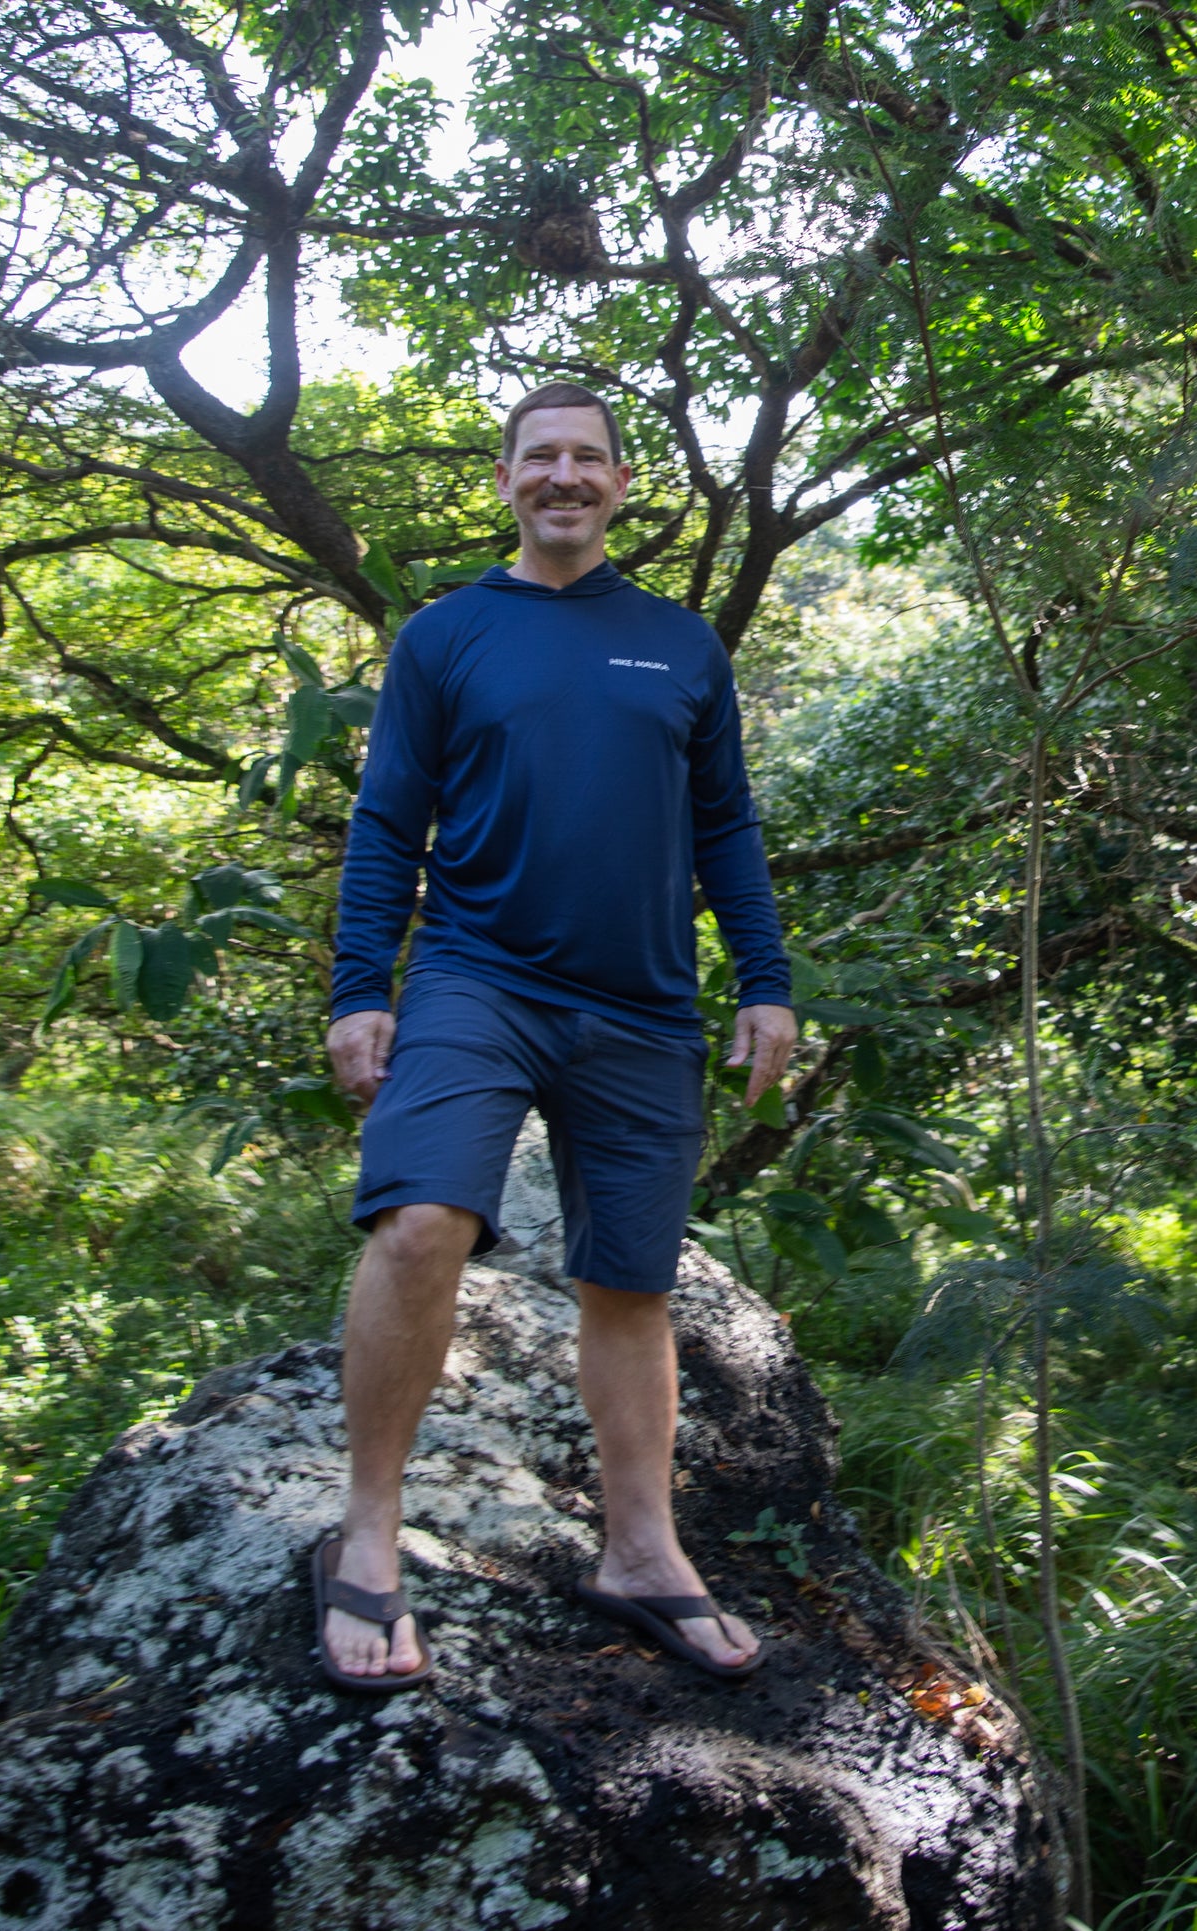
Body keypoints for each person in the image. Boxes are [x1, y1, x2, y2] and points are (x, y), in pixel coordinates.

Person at [316, 381, 797, 1693]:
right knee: (421, 1221)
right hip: (478, 977)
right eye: (541, 457)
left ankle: (640, 1552)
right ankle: (368, 1534)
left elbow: (725, 826)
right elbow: (387, 821)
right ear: (506, 480)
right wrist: (361, 988)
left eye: (588, 457)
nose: (564, 477)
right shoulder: (445, 635)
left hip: (643, 1002)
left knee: (631, 1282)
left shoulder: (679, 644)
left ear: (622, 484)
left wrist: (764, 979)